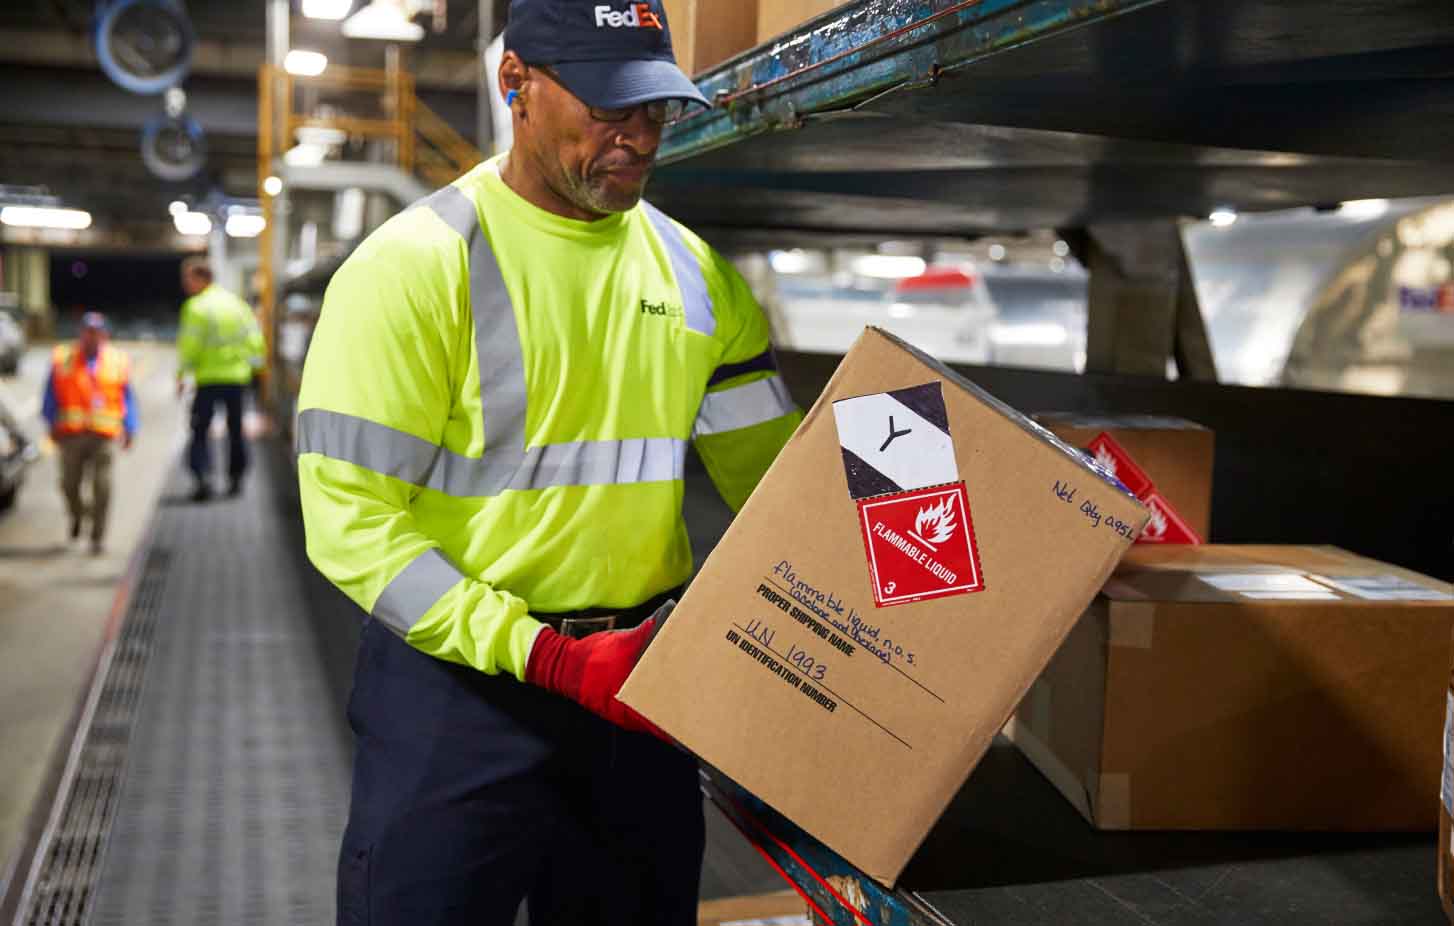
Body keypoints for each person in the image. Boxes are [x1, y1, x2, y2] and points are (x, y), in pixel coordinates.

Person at [295, 1, 803, 922]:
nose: (639, 136)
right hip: (459, 699)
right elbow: (351, 523)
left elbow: (784, 486)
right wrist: (543, 658)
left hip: (637, 694)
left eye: (654, 107)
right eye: (610, 106)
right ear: (515, 83)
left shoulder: (698, 277)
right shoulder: (412, 269)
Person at [42, 312, 135, 554]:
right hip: (70, 436)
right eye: (87, 331)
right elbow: (50, 394)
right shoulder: (63, 358)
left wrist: (130, 427)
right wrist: (50, 423)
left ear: (104, 334)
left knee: (102, 486)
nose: (91, 337)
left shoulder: (117, 360)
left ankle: (97, 536)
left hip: (102, 436)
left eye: (96, 332)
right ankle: (77, 515)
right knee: (69, 485)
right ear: (80, 333)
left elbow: (127, 397)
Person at [176, 257, 264, 501]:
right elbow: (255, 340)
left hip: (208, 380)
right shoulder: (237, 305)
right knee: (236, 430)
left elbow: (189, 346)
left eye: (188, 279)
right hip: (237, 379)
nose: (185, 284)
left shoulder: (196, 307)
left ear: (201, 278)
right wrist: (257, 371)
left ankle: (203, 478)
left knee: (200, 430)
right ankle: (236, 477)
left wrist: (183, 375)